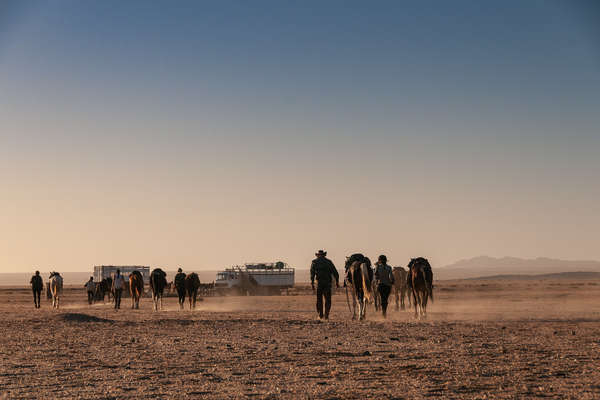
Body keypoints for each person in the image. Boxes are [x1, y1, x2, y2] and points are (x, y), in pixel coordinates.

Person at [310, 250, 339, 320]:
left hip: (319, 283)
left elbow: (312, 274)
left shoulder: (314, 262)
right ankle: (326, 315)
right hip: (327, 283)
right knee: (328, 300)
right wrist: (337, 282)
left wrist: (312, 283)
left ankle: (320, 315)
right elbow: (335, 272)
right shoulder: (329, 262)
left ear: (318, 255)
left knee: (319, 300)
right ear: (324, 255)